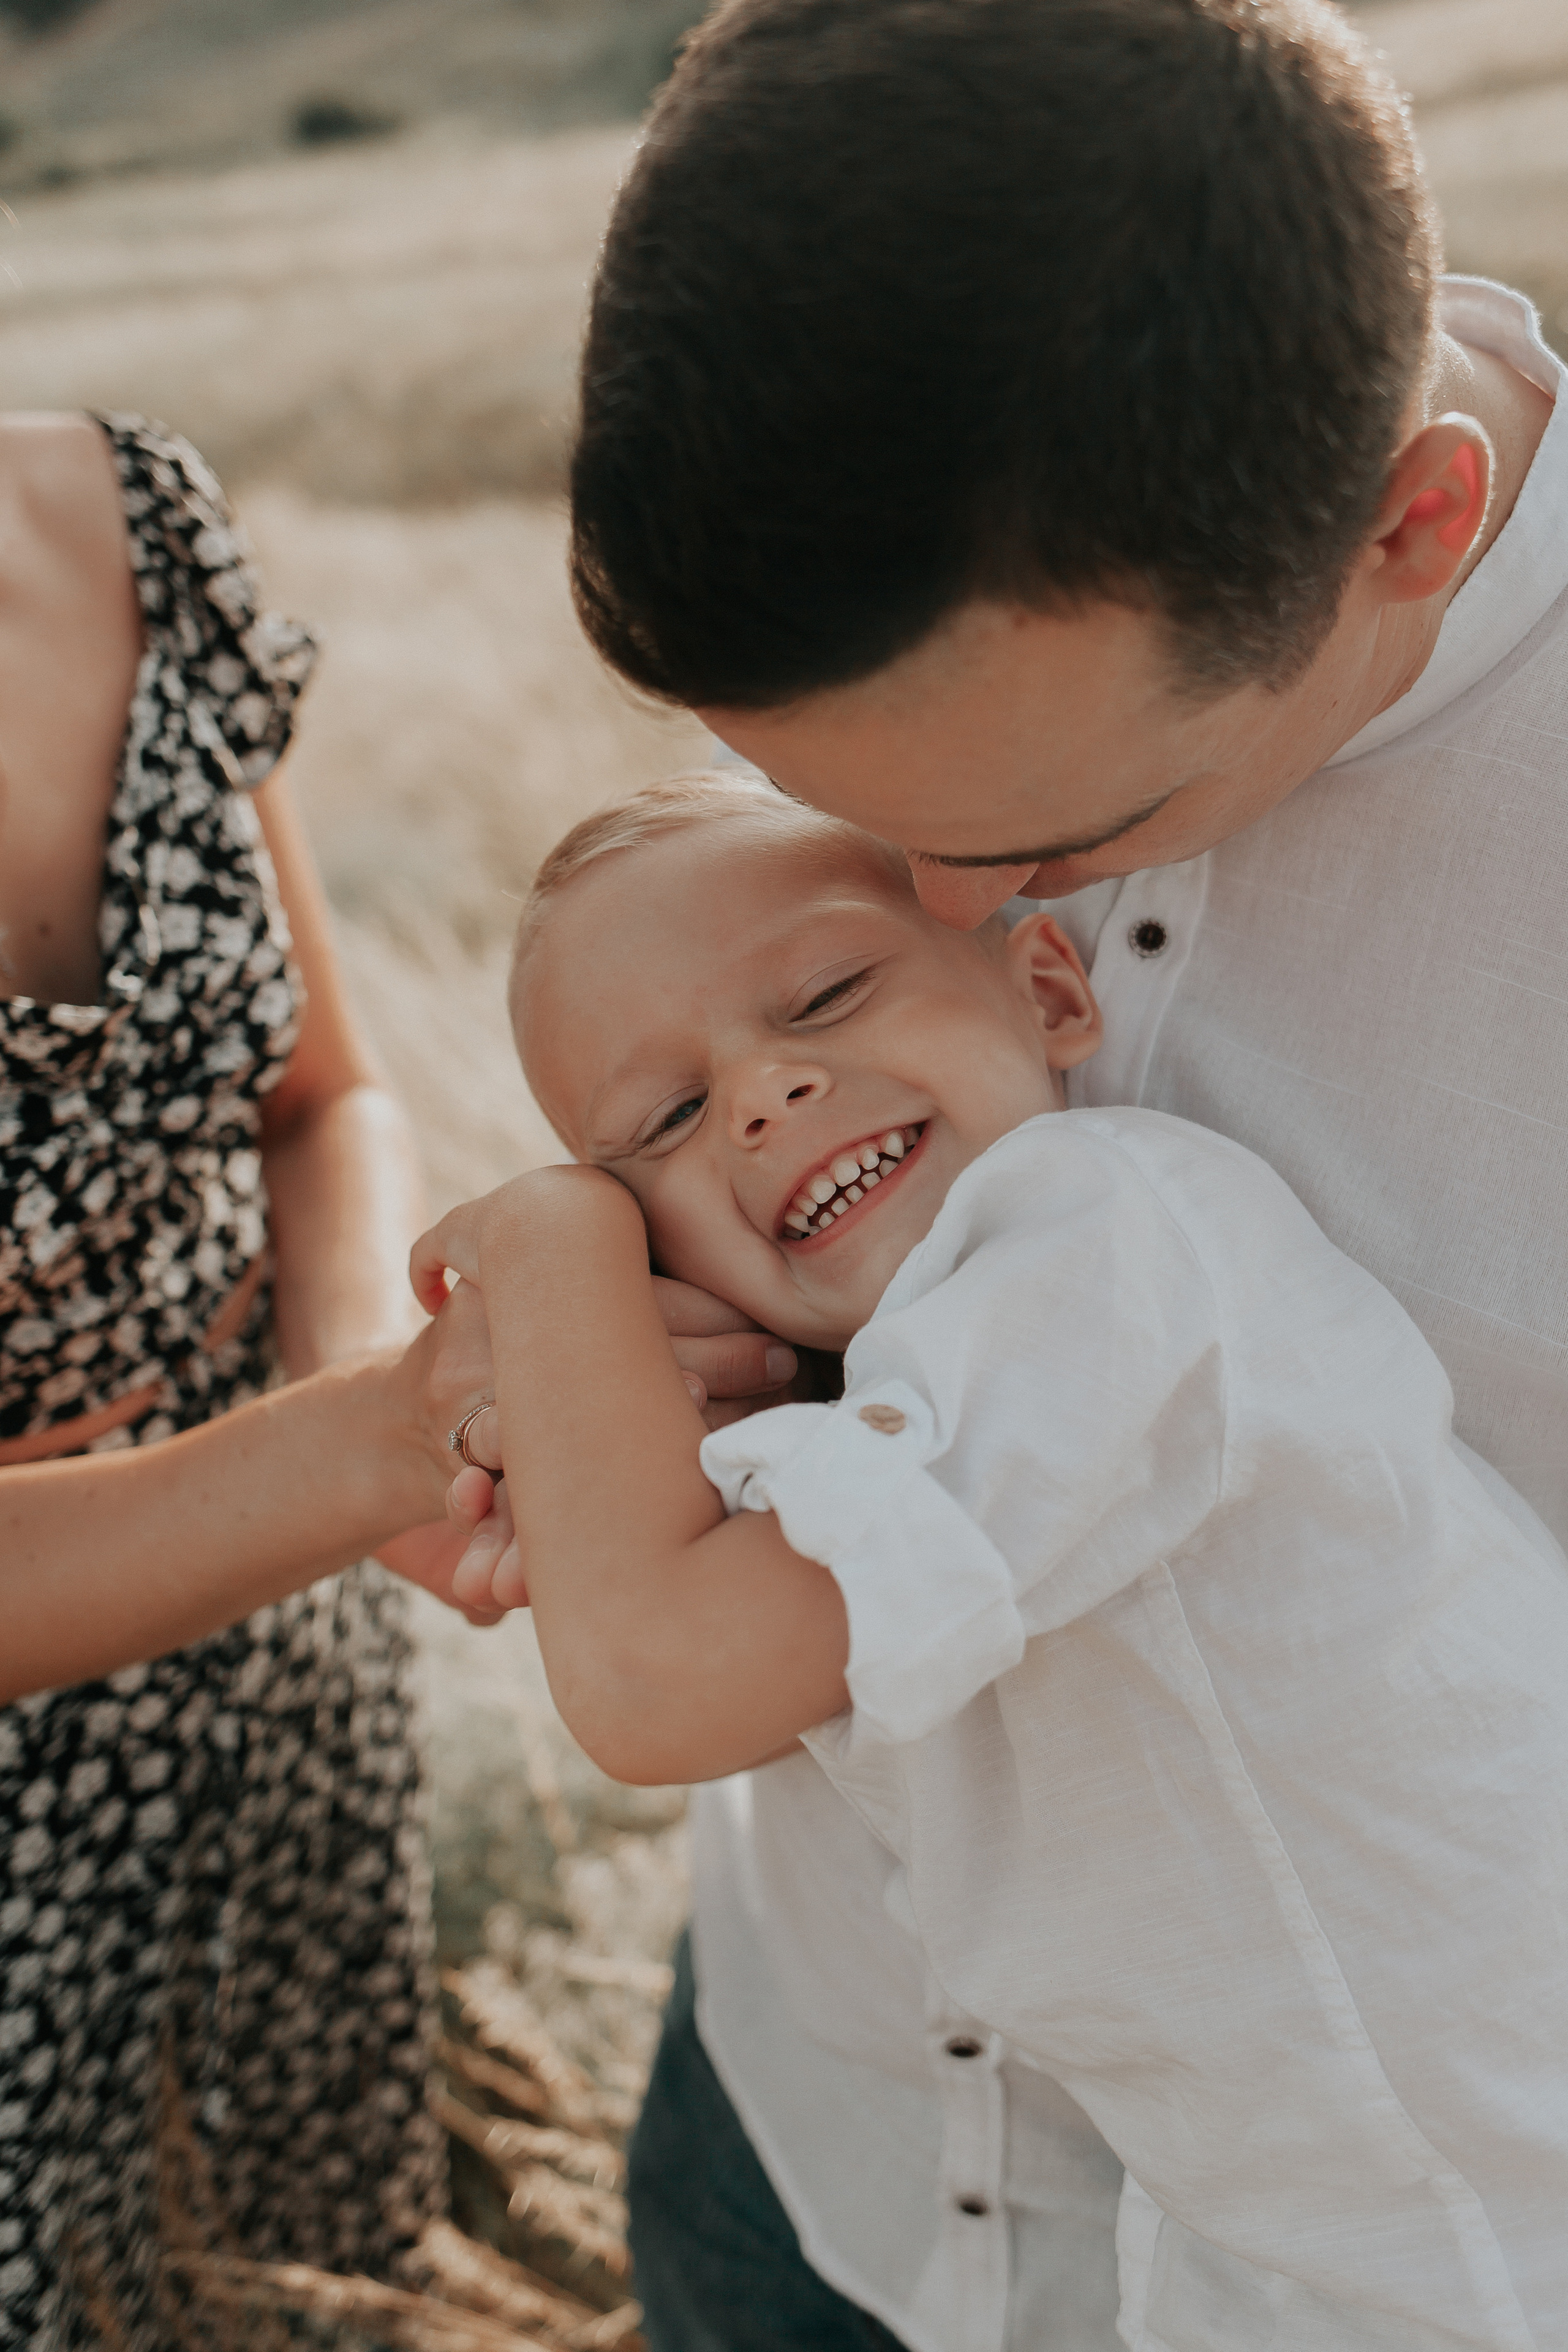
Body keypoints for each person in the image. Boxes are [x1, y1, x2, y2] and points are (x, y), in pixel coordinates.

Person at [556, 1, 1568, 2346]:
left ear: (1409, 525)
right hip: (812, 2134)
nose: (923, 907)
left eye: (1031, 848)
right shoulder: (905, 474)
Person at [423, 774, 1568, 2352]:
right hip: (1280, 2247)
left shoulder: (1115, 1247)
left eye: (827, 991)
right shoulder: (902, 1397)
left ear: (1047, 986)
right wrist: (577, 1441)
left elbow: (655, 1682)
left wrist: (554, 1233)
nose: (759, 1094)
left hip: (1488, 2248)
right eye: (668, 1124)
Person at [0, 410, 502, 2350]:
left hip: (295, 1661)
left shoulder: (123, 507)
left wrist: (357, 1399)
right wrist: (371, 1442)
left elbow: (323, 1094)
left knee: (308, 2259)